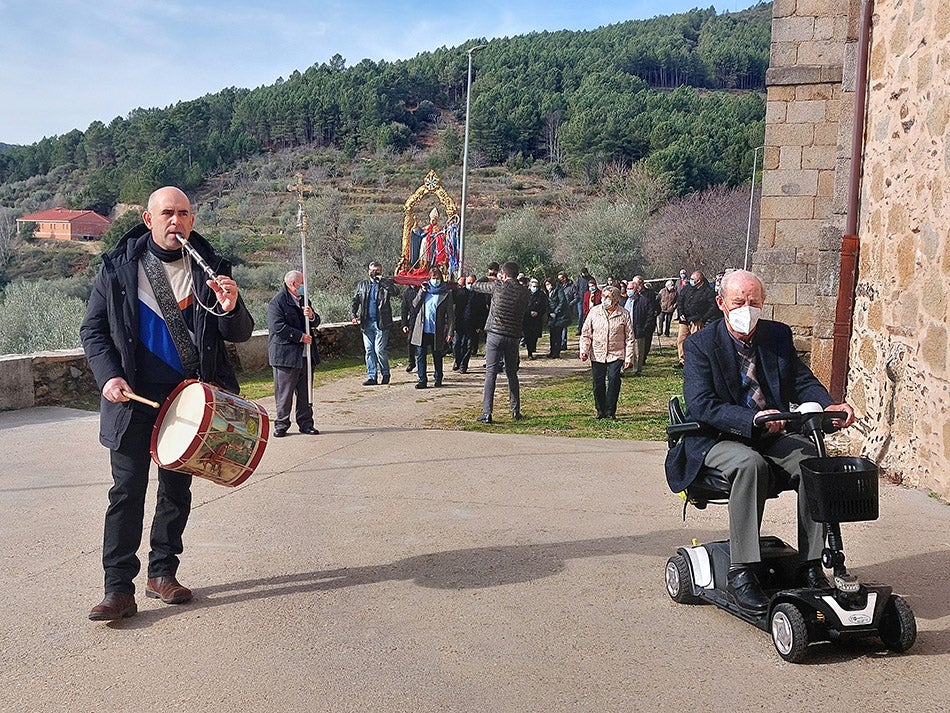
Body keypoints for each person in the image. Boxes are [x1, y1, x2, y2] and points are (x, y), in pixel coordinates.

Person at [80, 186, 253, 621]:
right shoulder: (119, 267)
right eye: (167, 214)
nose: (176, 221)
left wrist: (231, 308)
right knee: (127, 492)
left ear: (192, 220)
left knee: (176, 492)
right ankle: (118, 589)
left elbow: (239, 333)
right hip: (133, 398)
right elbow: (94, 330)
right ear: (148, 219)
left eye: (184, 213)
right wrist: (109, 376)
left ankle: (162, 573)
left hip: (190, 400)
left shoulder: (211, 268)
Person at [665, 269, 856, 613]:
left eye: (754, 302)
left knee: (811, 461)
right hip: (717, 438)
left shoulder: (777, 336)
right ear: (722, 303)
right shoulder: (700, 345)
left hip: (771, 433)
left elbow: (802, 381)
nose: (747, 308)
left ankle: (811, 565)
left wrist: (829, 404)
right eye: (739, 301)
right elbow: (702, 404)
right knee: (748, 464)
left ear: (763, 303)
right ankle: (743, 571)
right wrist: (751, 420)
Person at [471, 261, 531, 423]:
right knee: (512, 374)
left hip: (495, 333)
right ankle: (515, 410)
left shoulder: (498, 286)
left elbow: (476, 286)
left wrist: (489, 277)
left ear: (503, 274)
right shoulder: (525, 292)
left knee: (491, 373)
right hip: (513, 336)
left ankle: (487, 413)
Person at [267, 270, 320, 438]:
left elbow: (316, 321)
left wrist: (312, 316)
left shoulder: (305, 300)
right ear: (293, 284)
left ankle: (306, 424)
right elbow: (277, 327)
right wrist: (300, 337)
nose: (304, 286)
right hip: (286, 356)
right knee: (284, 393)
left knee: (305, 393)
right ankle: (281, 424)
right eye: (302, 283)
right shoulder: (278, 302)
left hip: (306, 356)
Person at [579, 286, 634, 420]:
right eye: (604, 296)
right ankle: (600, 410)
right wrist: (584, 350)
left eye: (608, 297)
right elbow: (586, 333)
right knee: (598, 383)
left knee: (614, 380)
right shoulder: (594, 312)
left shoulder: (624, 314)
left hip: (617, 353)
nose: (605, 299)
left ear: (615, 299)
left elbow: (630, 338)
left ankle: (610, 411)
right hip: (597, 353)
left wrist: (629, 358)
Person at [351, 261, 399, 386]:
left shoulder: (385, 284)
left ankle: (386, 373)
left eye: (377, 270)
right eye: (372, 270)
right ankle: (372, 376)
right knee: (369, 350)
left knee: (379, 350)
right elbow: (355, 300)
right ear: (368, 271)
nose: (374, 273)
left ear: (381, 271)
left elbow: (396, 292)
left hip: (381, 322)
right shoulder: (362, 285)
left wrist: (382, 282)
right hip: (367, 322)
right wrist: (353, 314)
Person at [408, 267, 454, 388]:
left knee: (437, 354)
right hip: (422, 328)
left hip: (437, 329)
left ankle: (438, 378)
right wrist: (422, 291)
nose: (435, 281)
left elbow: (450, 315)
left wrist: (450, 332)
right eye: (433, 278)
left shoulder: (446, 294)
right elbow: (414, 304)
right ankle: (422, 379)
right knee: (421, 354)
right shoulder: (425, 291)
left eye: (437, 278)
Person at [675, 270, 717, 367]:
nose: (691, 281)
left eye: (693, 279)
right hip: (684, 319)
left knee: (696, 341)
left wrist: (703, 318)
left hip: (697, 320)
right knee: (681, 340)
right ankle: (682, 360)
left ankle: (696, 360)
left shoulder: (708, 291)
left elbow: (713, 307)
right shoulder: (687, 289)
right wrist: (680, 313)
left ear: (699, 281)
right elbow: (680, 301)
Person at [624, 276, 660, 375]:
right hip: (625, 328)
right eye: (628, 289)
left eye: (631, 289)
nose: (628, 291)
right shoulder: (624, 301)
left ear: (636, 290)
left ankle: (637, 369)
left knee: (638, 351)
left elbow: (650, 315)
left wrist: (644, 329)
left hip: (638, 328)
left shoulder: (644, 300)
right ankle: (623, 368)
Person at [545, 276, 571, 358]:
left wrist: (556, 312)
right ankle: (552, 351)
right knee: (552, 335)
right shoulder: (547, 292)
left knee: (557, 334)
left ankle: (556, 352)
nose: (548, 286)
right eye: (546, 285)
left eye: (549, 284)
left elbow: (562, 301)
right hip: (551, 315)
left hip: (560, 316)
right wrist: (549, 312)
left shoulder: (559, 290)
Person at [522, 277, 547, 359]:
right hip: (527, 319)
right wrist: (529, 312)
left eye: (536, 286)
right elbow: (522, 305)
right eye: (533, 286)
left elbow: (544, 306)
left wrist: (538, 312)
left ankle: (533, 348)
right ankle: (529, 352)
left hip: (537, 319)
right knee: (528, 336)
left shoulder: (541, 295)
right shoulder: (525, 294)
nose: (535, 288)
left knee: (535, 336)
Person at [401, 283, 419, 373]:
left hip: (422, 320)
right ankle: (411, 362)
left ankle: (420, 364)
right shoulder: (407, 292)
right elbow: (404, 309)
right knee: (410, 342)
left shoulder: (422, 289)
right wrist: (404, 324)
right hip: (412, 321)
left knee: (421, 344)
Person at [557, 271, 577, 351]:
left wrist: (569, 305)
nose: (559, 280)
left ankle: (563, 343)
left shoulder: (572, 287)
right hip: (559, 309)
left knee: (564, 327)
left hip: (567, 310)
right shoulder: (558, 287)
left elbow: (576, 298)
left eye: (560, 278)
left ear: (564, 278)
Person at [574, 267, 593, 332]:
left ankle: (587, 329)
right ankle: (579, 329)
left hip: (588, 299)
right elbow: (577, 288)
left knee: (587, 314)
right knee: (580, 314)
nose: (583, 274)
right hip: (580, 299)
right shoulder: (580, 278)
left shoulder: (591, 279)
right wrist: (577, 296)